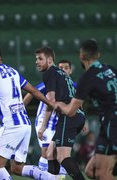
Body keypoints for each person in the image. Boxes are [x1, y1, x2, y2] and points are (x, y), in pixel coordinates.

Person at [0, 44, 56, 180]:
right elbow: (33, 91)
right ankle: (51, 178)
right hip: (24, 124)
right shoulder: (13, 71)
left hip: (11, 125)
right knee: (17, 168)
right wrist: (50, 103)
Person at [55, 39, 117, 180]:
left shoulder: (87, 77)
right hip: (106, 125)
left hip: (113, 122)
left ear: (81, 56)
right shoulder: (110, 69)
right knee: (90, 171)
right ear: (98, 54)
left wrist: (59, 105)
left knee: (103, 173)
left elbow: (70, 111)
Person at [34, 46, 86, 180]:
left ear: (50, 60)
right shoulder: (63, 74)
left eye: (40, 59)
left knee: (62, 157)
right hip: (77, 115)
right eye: (36, 59)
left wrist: (43, 126)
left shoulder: (50, 73)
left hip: (68, 117)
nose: (37, 62)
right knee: (51, 152)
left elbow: (50, 101)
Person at [23, 59, 76, 179]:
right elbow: (32, 92)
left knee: (60, 153)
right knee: (47, 152)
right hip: (44, 121)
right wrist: (21, 108)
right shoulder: (51, 83)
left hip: (60, 123)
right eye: (60, 67)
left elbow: (78, 101)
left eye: (66, 68)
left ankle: (57, 177)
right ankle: (43, 175)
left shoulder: (72, 86)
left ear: (70, 71)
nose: (62, 70)